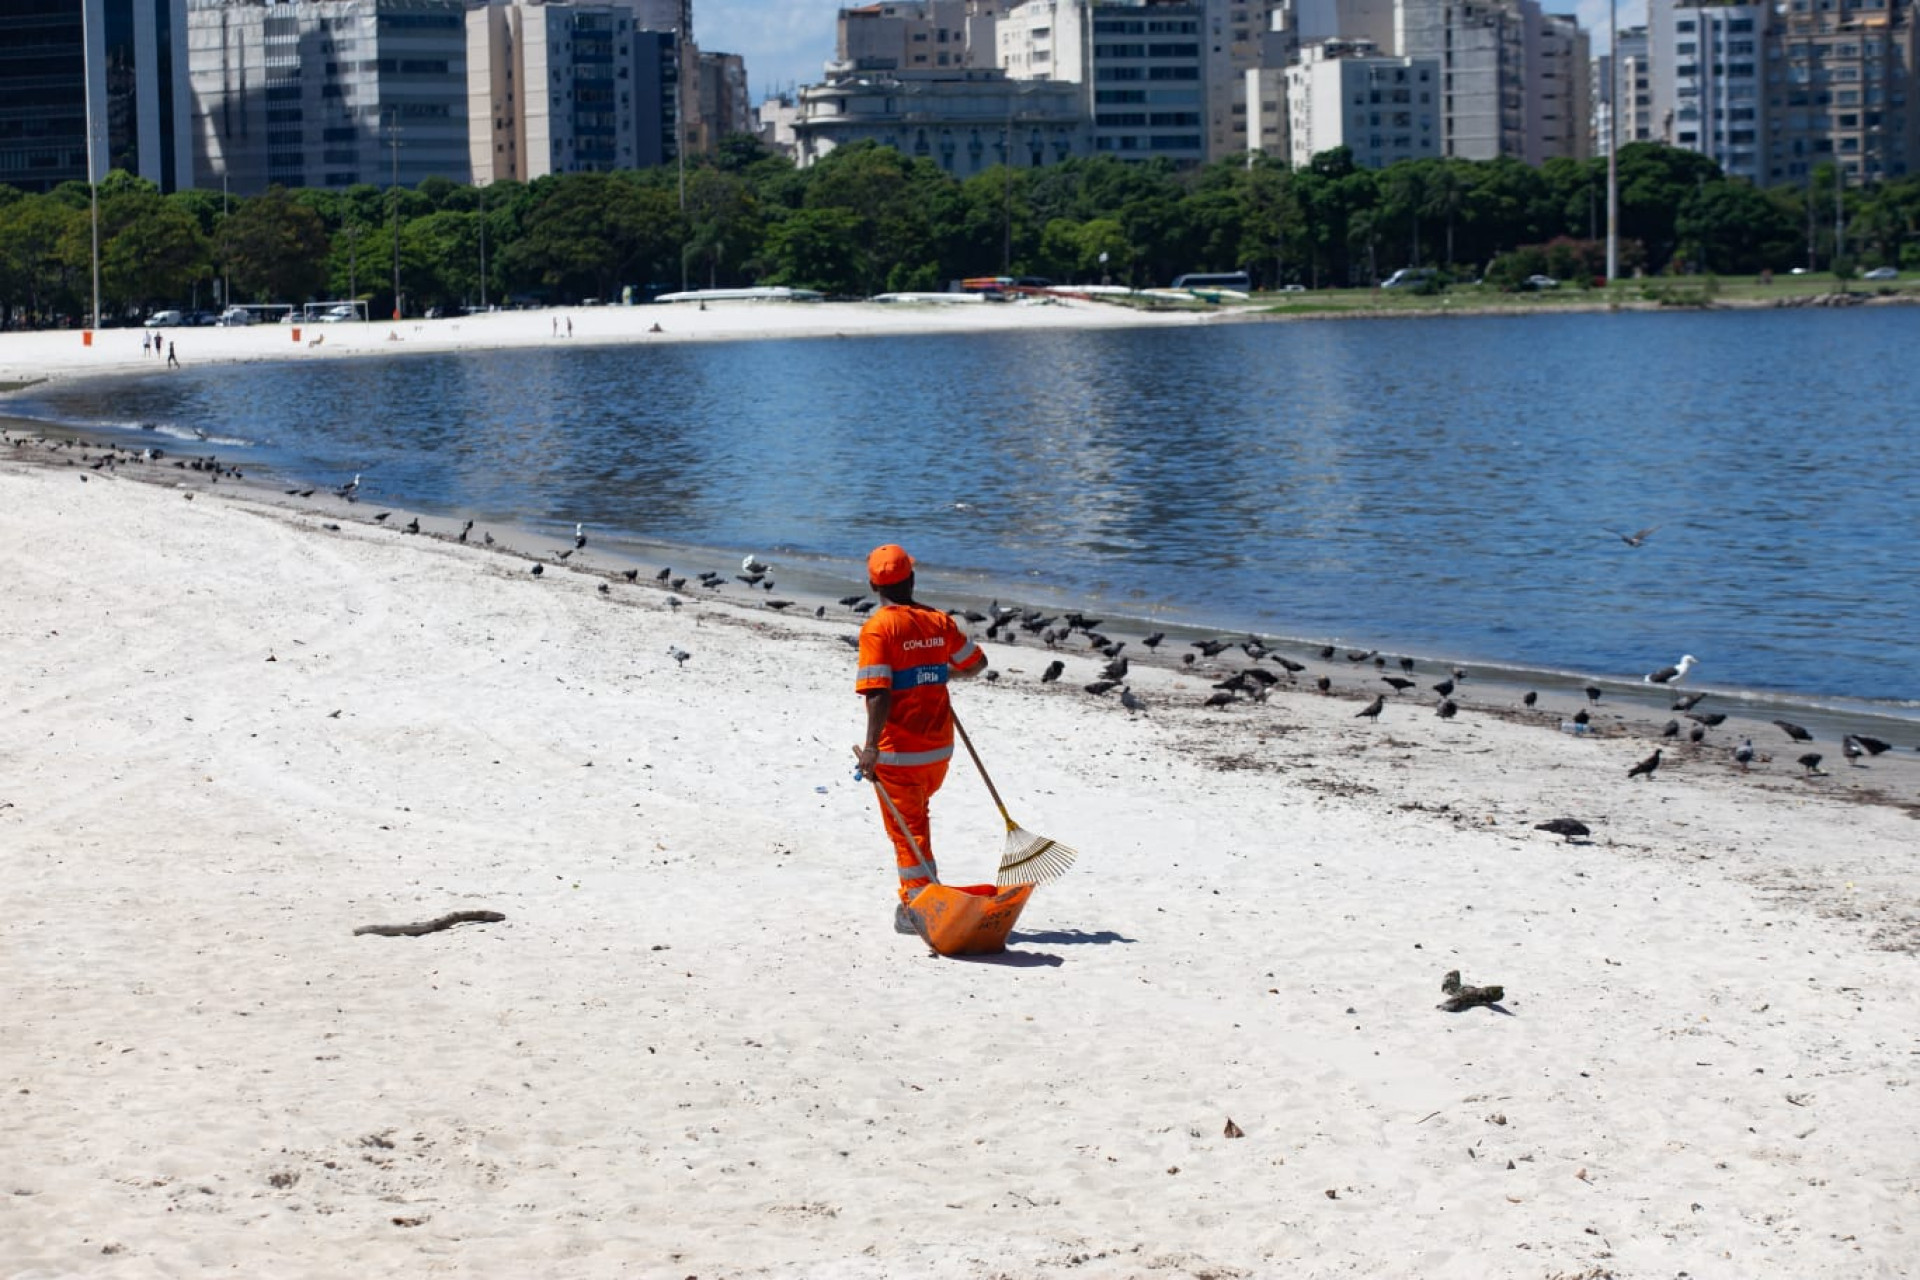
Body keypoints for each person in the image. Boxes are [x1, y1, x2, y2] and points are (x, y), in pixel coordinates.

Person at [853, 544, 987, 932]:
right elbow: (977, 664)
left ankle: (919, 907)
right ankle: (926, 891)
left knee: (908, 832)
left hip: (900, 754)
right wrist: (938, 674)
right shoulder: (938, 621)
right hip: (939, 751)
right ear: (911, 579)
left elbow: (878, 692)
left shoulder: (878, 628)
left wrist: (871, 747)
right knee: (917, 824)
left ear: (872, 586)